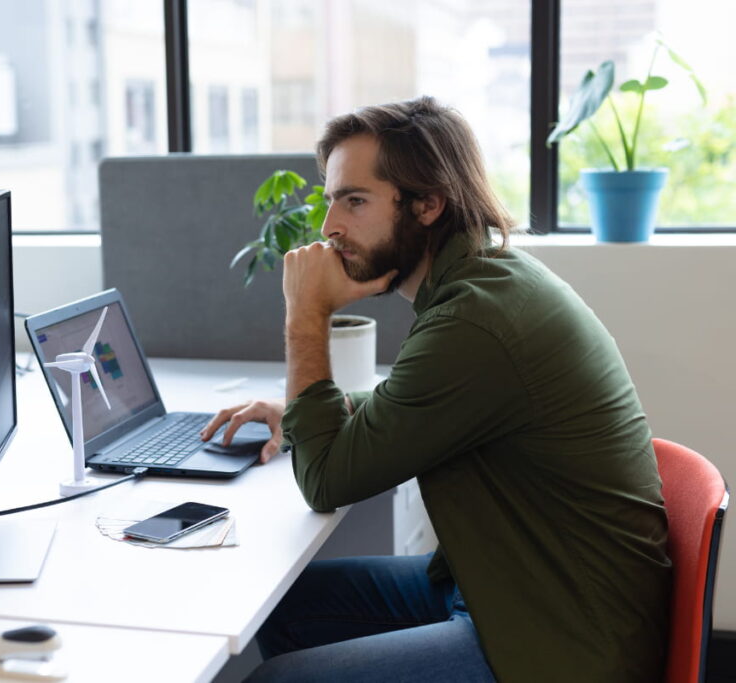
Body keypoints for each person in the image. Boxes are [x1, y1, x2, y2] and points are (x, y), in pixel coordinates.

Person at [199, 96, 670, 682]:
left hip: (558, 640)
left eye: (354, 200)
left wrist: (305, 316)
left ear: (426, 205)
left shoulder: (474, 321)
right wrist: (315, 406)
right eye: (331, 202)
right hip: (506, 587)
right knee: (284, 608)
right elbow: (420, 400)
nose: (329, 228)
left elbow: (326, 481)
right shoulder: (484, 282)